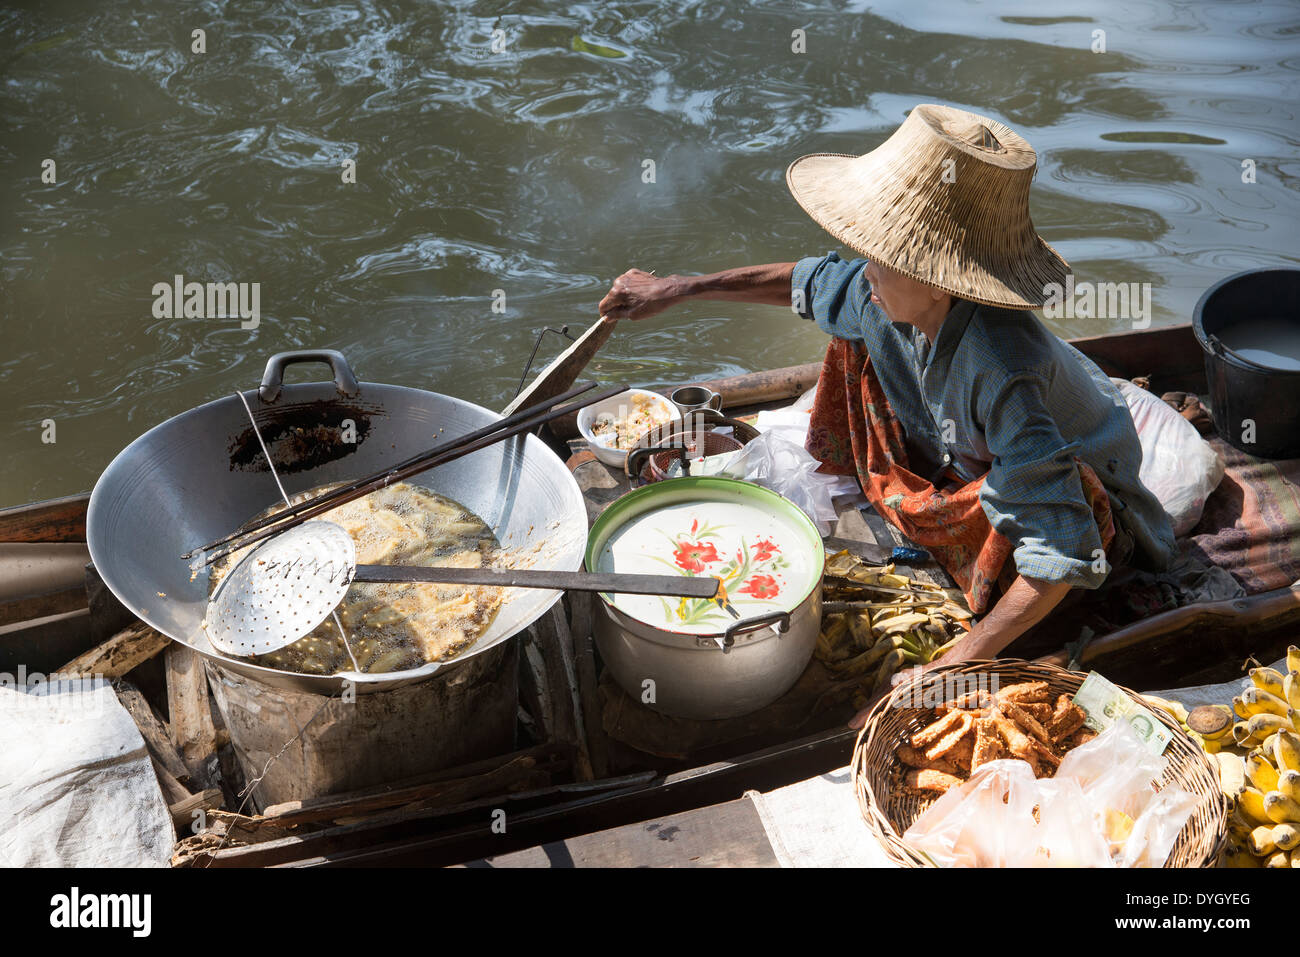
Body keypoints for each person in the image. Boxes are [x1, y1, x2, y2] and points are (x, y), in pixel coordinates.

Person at [598, 105, 1177, 719]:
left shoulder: (1001, 370)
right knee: (849, 336)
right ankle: (928, 496)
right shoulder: (888, 296)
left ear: (939, 280)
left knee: (1066, 512)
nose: (866, 272)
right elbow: (806, 283)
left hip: (1086, 509)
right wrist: (678, 288)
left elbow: (1063, 552)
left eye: (882, 259)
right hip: (972, 455)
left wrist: (955, 663)